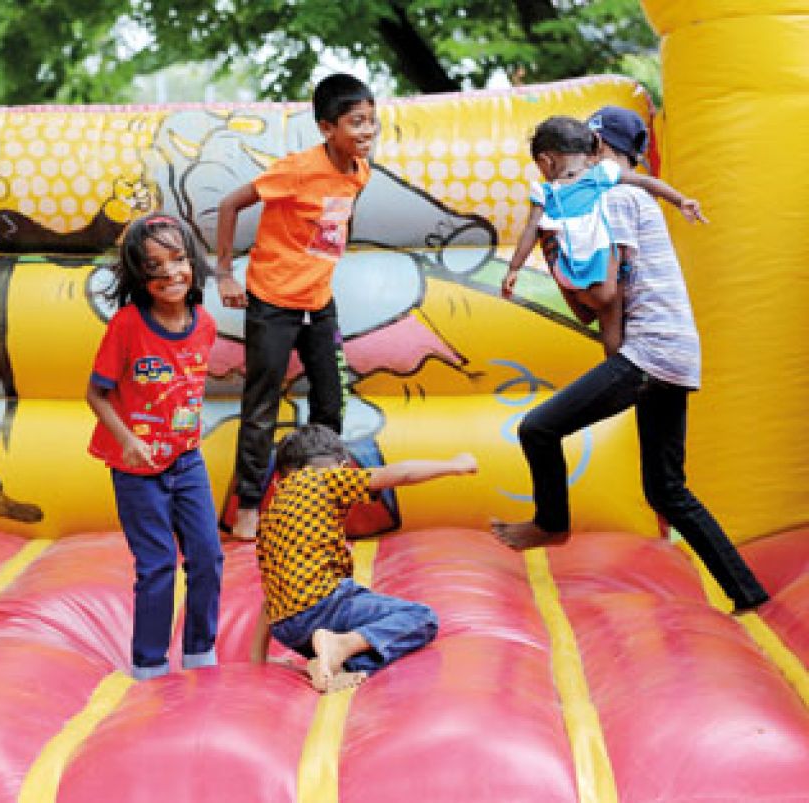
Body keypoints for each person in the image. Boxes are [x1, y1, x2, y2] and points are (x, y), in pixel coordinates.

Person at [491, 107, 770, 614]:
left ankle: (551, 523)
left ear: (596, 149)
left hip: (650, 351)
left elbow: (602, 298)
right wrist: (554, 256)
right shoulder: (616, 200)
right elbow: (590, 307)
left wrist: (554, 253)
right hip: (673, 352)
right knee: (666, 489)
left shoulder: (616, 201)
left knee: (538, 428)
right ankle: (749, 594)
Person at [214, 73, 377, 540]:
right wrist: (224, 274)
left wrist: (324, 260)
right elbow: (229, 205)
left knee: (331, 400)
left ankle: (319, 496)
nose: (367, 131)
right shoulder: (297, 170)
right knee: (262, 403)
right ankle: (249, 506)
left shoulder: (360, 171)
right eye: (356, 122)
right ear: (327, 128)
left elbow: (338, 223)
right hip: (273, 300)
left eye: (372, 121)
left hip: (318, 302)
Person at [86, 214, 224, 681]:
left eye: (178, 260)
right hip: (137, 468)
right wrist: (127, 440)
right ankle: (149, 662)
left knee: (207, 556)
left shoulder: (204, 324)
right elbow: (96, 393)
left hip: (186, 460)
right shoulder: (128, 325)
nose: (170, 273)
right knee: (158, 564)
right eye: (154, 266)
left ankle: (200, 651)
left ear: (193, 262)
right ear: (139, 275)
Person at [250, 424, 477, 692]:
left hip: (289, 629)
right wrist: (454, 465)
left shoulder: (270, 516)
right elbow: (398, 474)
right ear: (341, 465)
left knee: (359, 626)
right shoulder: (325, 478)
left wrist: (258, 658)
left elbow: (270, 596)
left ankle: (331, 663)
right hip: (325, 607)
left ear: (279, 478)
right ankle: (342, 647)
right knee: (420, 618)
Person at [501, 114, 707, 356]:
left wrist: (514, 268)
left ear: (546, 161)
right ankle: (616, 361)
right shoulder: (601, 176)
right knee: (610, 310)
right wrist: (680, 200)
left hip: (570, 265)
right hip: (600, 258)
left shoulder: (546, 192)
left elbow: (530, 229)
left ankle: (614, 364)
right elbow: (646, 182)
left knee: (602, 312)